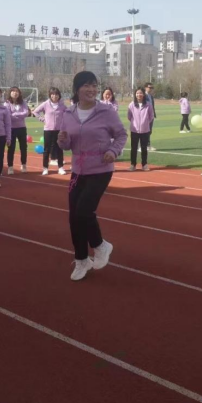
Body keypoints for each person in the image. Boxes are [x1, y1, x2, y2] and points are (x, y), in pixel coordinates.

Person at [58, 71, 128, 282]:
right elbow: (66, 144)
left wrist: (113, 151)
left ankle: (100, 245)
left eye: (94, 85)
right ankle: (81, 260)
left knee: (83, 211)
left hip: (100, 169)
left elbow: (121, 135)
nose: (91, 89)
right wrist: (62, 141)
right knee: (74, 217)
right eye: (86, 85)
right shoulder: (68, 113)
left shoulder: (106, 111)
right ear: (77, 89)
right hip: (78, 171)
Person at [33, 87, 68, 176]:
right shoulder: (45, 104)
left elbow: (68, 113)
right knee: (47, 150)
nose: (54, 96)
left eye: (56, 94)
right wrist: (43, 119)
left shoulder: (62, 105)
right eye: (52, 94)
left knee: (59, 149)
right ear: (50, 95)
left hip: (59, 130)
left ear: (59, 95)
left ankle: (60, 167)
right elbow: (35, 112)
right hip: (48, 130)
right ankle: (45, 168)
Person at [127, 87, 155, 172]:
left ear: (143, 94)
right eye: (137, 93)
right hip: (134, 130)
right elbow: (129, 116)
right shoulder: (131, 105)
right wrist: (135, 123)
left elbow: (151, 116)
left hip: (145, 130)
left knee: (144, 148)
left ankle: (144, 164)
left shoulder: (148, 105)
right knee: (133, 148)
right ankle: (133, 164)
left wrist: (145, 122)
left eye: (140, 93)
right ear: (135, 94)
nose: (139, 95)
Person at [7, 87, 30, 175]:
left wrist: (15, 114)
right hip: (11, 128)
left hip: (22, 128)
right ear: (10, 93)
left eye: (17, 91)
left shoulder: (23, 102)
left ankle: (23, 165)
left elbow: (26, 113)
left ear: (19, 93)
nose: (15, 93)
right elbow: (8, 115)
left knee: (23, 147)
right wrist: (19, 115)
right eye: (13, 91)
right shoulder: (7, 103)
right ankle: (10, 167)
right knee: (11, 148)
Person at [144, 83, 157, 152]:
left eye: (152, 88)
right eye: (150, 87)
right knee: (145, 131)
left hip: (151, 115)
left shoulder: (150, 96)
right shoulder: (143, 95)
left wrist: (154, 114)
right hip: (145, 116)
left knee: (149, 131)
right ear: (145, 87)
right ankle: (145, 145)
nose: (151, 89)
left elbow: (152, 106)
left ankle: (147, 145)